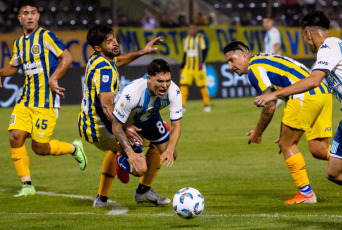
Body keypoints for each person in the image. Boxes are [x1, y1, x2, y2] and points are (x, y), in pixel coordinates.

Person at [224, 41, 332, 204]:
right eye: (227, 62)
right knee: (319, 149)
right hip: (322, 93)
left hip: (305, 96)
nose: (230, 66)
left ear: (245, 55)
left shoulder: (254, 69)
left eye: (232, 60)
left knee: (287, 145)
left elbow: (270, 106)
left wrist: (257, 134)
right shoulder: (263, 59)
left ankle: (307, 194)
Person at [0, 0, 87, 197]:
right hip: (25, 100)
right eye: (25, 13)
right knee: (15, 137)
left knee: (39, 148)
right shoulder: (19, 43)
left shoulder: (46, 37)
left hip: (46, 101)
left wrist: (53, 78)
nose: (29, 16)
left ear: (38, 16)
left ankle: (74, 148)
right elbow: (13, 66)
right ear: (19, 17)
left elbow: (66, 57)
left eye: (33, 13)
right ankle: (27, 185)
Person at [78, 25, 170, 207]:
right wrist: (124, 127)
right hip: (102, 128)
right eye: (109, 41)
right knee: (158, 139)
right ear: (98, 47)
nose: (115, 43)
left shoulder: (98, 59)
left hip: (88, 125)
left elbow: (117, 61)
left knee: (123, 141)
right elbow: (106, 106)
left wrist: (143, 52)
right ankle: (142, 188)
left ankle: (101, 199)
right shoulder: (104, 71)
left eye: (113, 38)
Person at [254, 11, 342, 186]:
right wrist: (290, 131)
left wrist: (275, 93)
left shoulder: (328, 47)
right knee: (333, 172)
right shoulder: (334, 47)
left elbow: (314, 81)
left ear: (307, 33)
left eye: (303, 36)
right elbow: (309, 88)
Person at [112, 59, 182, 202]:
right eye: (160, 81)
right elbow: (116, 126)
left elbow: (176, 125)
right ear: (149, 78)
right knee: (140, 169)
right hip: (129, 125)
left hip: (150, 118)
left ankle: (143, 191)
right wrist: (131, 154)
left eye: (167, 81)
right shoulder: (132, 93)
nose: (165, 86)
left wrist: (169, 149)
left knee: (172, 154)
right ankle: (121, 157)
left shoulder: (174, 91)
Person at [180, 24, 210, 112]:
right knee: (183, 85)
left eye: (193, 28)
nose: (191, 30)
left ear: (196, 29)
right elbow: (185, 54)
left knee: (202, 85)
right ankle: (182, 105)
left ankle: (207, 105)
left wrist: (202, 61)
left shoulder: (200, 38)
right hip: (188, 67)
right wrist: (182, 66)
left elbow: (205, 51)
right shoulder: (186, 40)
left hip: (198, 66)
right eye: (190, 29)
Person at [263, 16, 283, 107]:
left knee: (272, 79)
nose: (265, 24)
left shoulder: (274, 32)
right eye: (263, 22)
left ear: (272, 22)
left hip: (272, 59)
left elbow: (277, 45)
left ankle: (279, 97)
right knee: (271, 79)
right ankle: (277, 97)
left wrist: (273, 58)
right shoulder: (269, 32)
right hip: (268, 59)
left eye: (267, 22)